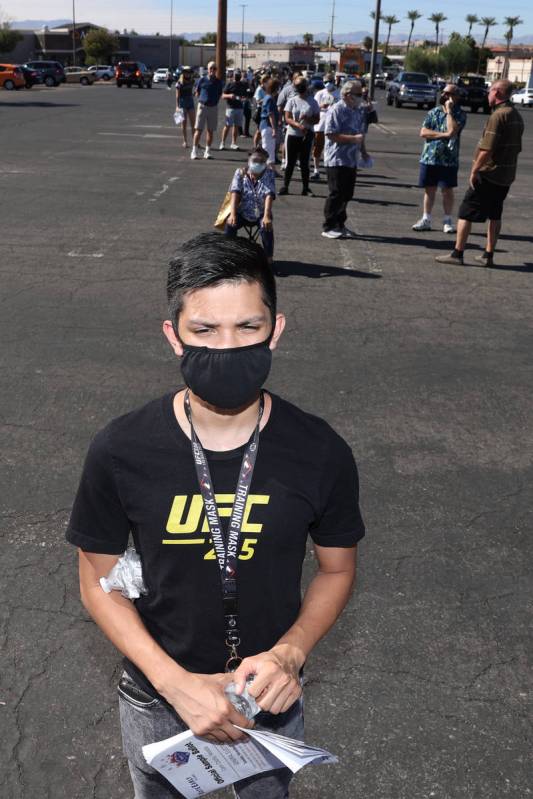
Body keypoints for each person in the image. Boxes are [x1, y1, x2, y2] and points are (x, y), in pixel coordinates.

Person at [66, 232, 365, 799]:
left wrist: (290, 653)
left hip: (268, 698)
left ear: (276, 330)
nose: (227, 348)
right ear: (173, 336)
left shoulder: (319, 451)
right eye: (205, 330)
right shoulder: (121, 449)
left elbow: (336, 569)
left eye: (247, 328)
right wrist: (173, 682)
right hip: (156, 697)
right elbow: (96, 576)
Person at [436, 79, 524, 266]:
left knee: (465, 212)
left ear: (498, 93)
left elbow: (487, 149)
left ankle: (457, 253)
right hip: (505, 175)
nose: (487, 94)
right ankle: (488, 255)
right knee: (495, 214)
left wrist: (475, 170)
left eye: (490, 91)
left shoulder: (498, 116)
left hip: (489, 174)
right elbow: (516, 148)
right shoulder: (516, 115)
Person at [412, 84, 467, 234]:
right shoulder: (433, 112)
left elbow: (453, 130)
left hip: (449, 159)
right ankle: (426, 219)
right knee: (429, 189)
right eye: (443, 92)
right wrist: (443, 135)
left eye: (448, 93)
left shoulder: (460, 114)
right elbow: (423, 132)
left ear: (456, 96)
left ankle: (447, 220)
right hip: (429, 158)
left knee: (447, 190)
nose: (444, 95)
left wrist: (449, 112)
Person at [322, 80, 368, 240]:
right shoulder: (336, 109)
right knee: (336, 193)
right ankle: (328, 226)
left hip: (351, 159)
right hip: (336, 158)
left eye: (362, 94)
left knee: (347, 194)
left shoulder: (357, 110)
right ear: (347, 95)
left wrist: (364, 152)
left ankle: (340, 224)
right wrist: (353, 139)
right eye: (358, 94)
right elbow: (330, 134)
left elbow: (360, 135)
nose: (361, 97)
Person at [225, 146, 276, 263]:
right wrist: (232, 214)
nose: (258, 163)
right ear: (249, 160)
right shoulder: (240, 173)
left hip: (261, 212)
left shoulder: (269, 173)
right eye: (255, 160)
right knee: (230, 224)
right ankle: (228, 256)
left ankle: (269, 259)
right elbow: (235, 193)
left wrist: (267, 215)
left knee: (266, 227)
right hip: (242, 211)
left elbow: (269, 194)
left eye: (262, 161)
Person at [279, 78, 320, 196]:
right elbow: (287, 118)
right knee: (290, 162)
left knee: (304, 163)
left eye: (302, 85)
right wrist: (298, 125)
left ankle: (305, 188)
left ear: (306, 86)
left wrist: (307, 119)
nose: (300, 88)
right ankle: (285, 186)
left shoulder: (313, 102)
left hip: (307, 135)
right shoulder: (292, 101)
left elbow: (317, 119)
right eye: (297, 86)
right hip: (293, 134)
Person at [191, 61, 223, 161]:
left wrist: (214, 102)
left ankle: (207, 152)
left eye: (214, 68)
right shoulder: (202, 80)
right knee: (198, 130)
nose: (212, 70)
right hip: (203, 106)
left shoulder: (218, 82)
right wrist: (202, 99)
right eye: (211, 68)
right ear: (207, 69)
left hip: (213, 107)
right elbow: (197, 92)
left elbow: (219, 94)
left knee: (210, 131)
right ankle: (194, 151)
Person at [311, 73, 340, 181]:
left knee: (332, 149)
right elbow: (313, 107)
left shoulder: (338, 94)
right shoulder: (319, 94)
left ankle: (330, 171)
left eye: (330, 81)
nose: (328, 84)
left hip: (333, 125)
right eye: (325, 82)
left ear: (334, 82)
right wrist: (321, 106)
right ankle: (316, 170)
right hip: (321, 124)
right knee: (318, 147)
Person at [220, 70, 250, 151]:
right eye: (236, 75)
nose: (237, 76)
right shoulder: (229, 84)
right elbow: (223, 95)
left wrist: (244, 99)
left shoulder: (243, 85)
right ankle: (222, 142)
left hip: (239, 107)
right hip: (230, 107)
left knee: (236, 126)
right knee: (227, 125)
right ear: (233, 76)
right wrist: (230, 95)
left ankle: (233, 143)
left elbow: (246, 95)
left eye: (239, 75)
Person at [259, 78, 281, 170]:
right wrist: (274, 129)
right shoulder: (270, 99)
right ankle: (267, 170)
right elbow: (270, 115)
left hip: (266, 126)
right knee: (268, 149)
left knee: (270, 149)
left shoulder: (267, 97)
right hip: (267, 126)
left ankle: (271, 169)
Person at [175, 66, 195, 148]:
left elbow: (196, 88)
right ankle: (185, 141)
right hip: (182, 103)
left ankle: (195, 141)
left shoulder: (192, 81)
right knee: (184, 123)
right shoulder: (179, 82)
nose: (187, 73)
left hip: (190, 102)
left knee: (193, 123)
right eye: (185, 72)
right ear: (183, 73)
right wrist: (177, 106)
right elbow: (177, 96)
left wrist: (195, 93)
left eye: (188, 72)